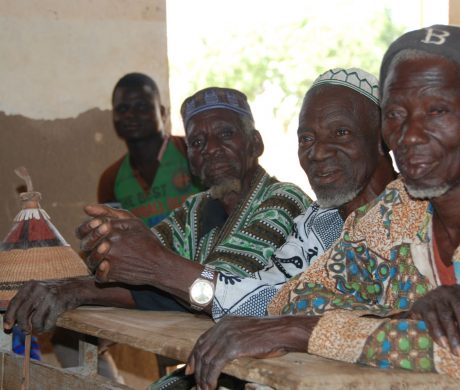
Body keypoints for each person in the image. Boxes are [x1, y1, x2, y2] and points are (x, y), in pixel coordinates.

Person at [185, 25, 460, 389]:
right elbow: (293, 297)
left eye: (437, 110)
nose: (409, 135)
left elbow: (449, 353)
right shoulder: (397, 211)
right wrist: (402, 316)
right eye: (395, 115)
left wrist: (301, 331)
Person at [3, 87, 310, 332]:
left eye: (226, 134)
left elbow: (220, 289)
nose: (211, 148)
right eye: (197, 141)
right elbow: (136, 269)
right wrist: (111, 248)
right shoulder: (196, 208)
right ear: (190, 157)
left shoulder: (283, 200)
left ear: (255, 144)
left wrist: (79, 291)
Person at [211, 67, 396, 320]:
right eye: (306, 139)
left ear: (382, 139)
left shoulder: (418, 213)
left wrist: (166, 270)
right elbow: (273, 292)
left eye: (341, 133)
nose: (318, 153)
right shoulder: (318, 222)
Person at [98, 72, 203, 227]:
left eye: (141, 106)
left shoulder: (191, 153)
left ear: (162, 112)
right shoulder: (111, 179)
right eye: (122, 109)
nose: (130, 115)